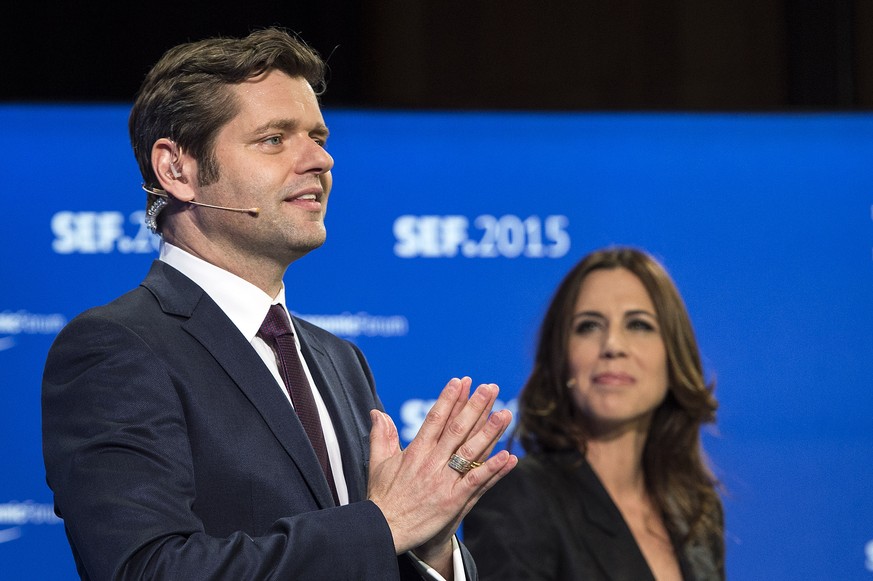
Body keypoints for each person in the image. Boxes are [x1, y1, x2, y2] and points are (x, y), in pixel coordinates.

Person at [42, 27, 517, 581]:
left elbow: (372, 551)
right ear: (178, 170)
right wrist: (386, 524)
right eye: (274, 139)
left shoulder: (339, 359)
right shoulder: (117, 347)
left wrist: (429, 546)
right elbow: (148, 569)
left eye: (318, 136)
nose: (319, 158)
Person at [463, 247, 724, 580]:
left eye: (639, 325)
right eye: (588, 326)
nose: (613, 345)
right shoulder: (521, 497)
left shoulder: (697, 512)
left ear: (673, 356)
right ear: (561, 358)